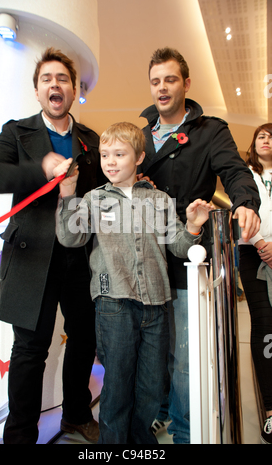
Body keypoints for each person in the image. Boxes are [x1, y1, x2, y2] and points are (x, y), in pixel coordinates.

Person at [54, 121, 214, 444]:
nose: (110, 162)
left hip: (156, 304)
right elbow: (71, 237)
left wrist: (194, 226)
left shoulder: (158, 200)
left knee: (152, 387)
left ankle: (140, 443)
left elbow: (180, 244)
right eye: (104, 155)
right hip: (114, 304)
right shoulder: (94, 199)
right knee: (118, 386)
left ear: (139, 157)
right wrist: (68, 194)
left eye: (119, 154)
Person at [0, 47, 105, 444]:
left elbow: (105, 191)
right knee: (30, 351)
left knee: (84, 338)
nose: (55, 84)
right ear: (37, 91)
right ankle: (19, 435)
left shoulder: (90, 140)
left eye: (63, 79)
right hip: (32, 256)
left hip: (80, 256)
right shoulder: (16, 132)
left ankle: (75, 415)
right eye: (47, 79)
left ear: (74, 91)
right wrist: (40, 169)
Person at [137, 47, 261, 443]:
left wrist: (245, 204)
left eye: (170, 80)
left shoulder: (211, 130)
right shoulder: (140, 135)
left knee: (186, 357)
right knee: (151, 350)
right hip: (143, 257)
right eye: (155, 81)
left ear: (186, 84)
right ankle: (158, 413)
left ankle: (186, 432)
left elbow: (236, 173)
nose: (162, 88)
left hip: (188, 256)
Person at [238, 124, 272, 444]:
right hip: (252, 253)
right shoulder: (244, 173)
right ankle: (271, 409)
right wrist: (263, 243)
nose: (266, 139)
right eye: (261, 135)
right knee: (263, 324)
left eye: (271, 136)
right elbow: (242, 212)